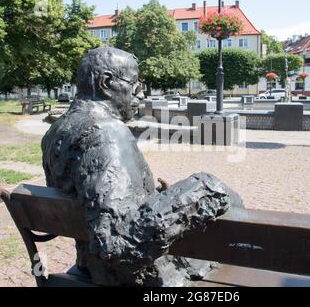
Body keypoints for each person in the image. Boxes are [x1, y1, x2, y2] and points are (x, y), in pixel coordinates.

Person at [42, 47, 242, 286]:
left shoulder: (56, 131)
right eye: (135, 84)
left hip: (90, 268)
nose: (142, 94)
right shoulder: (105, 132)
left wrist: (159, 199)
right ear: (106, 83)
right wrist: (203, 189)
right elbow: (117, 244)